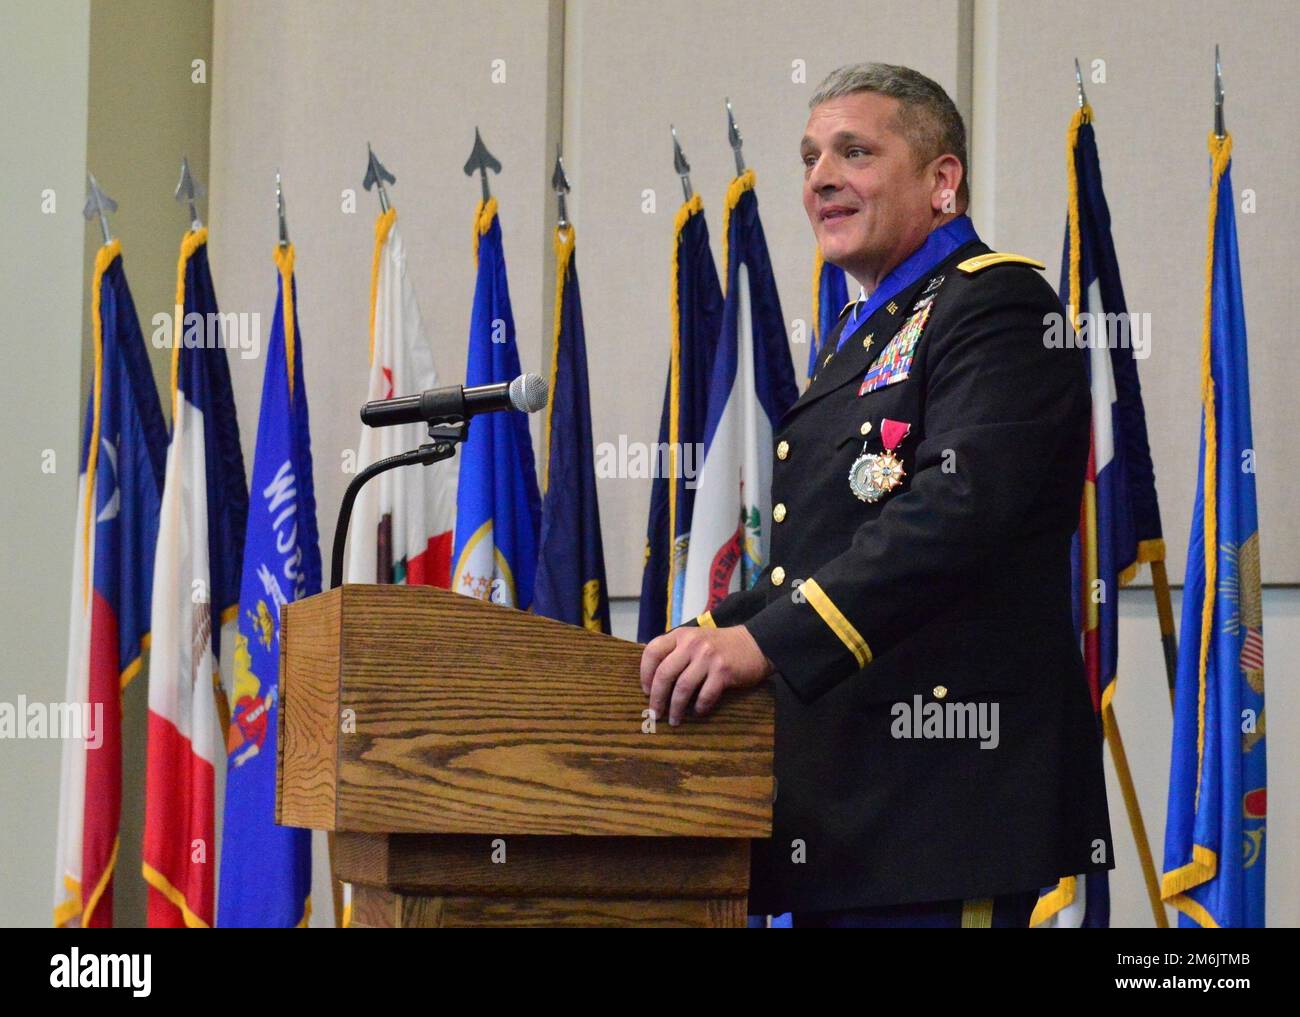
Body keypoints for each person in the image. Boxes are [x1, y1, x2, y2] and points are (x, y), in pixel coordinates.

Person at [639, 62, 1113, 927]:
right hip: (848, 826)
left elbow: (955, 513)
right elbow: (820, 557)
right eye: (811, 156)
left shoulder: (999, 303)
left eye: (854, 152)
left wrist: (767, 645)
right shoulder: (864, 334)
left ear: (942, 180)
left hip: (941, 809)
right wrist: (701, 636)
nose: (820, 177)